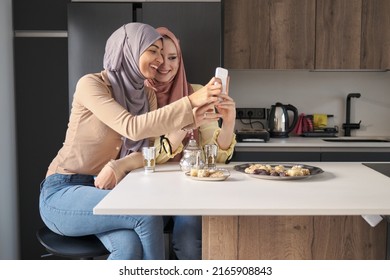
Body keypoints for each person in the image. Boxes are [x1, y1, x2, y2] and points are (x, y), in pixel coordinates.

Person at [39, 23, 224, 260]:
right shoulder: (92, 85)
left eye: (162, 51)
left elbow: (146, 154)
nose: (158, 59)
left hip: (106, 189)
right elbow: (131, 127)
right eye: (152, 51)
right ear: (128, 49)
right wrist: (191, 102)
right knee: (146, 214)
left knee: (128, 247)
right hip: (63, 191)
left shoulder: (145, 95)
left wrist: (190, 122)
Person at [145, 27, 237, 260]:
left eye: (173, 57)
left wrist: (228, 123)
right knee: (147, 238)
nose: (165, 64)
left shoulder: (196, 92)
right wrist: (185, 124)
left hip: (190, 187)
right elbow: (146, 154)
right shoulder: (140, 97)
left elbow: (214, 158)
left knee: (188, 238)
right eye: (159, 57)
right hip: (147, 190)